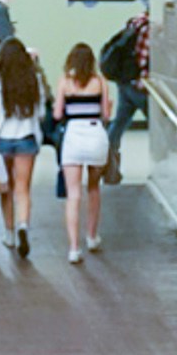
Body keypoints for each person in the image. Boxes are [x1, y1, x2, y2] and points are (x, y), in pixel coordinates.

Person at [0, 37, 45, 257]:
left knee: (5, 188)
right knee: (23, 188)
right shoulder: (34, 80)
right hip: (27, 138)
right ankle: (23, 226)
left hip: (1, 141)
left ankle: (9, 233)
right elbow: (41, 113)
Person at [55, 41, 114, 263]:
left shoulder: (65, 82)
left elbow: (58, 114)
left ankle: (73, 248)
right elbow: (106, 115)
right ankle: (91, 236)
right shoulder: (100, 82)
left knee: (73, 194)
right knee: (93, 188)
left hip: (73, 137)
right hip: (96, 135)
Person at [101, 9, 150, 186]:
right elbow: (144, 60)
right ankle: (164, 171)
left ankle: (109, 169)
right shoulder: (148, 29)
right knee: (160, 126)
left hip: (124, 83)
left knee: (118, 124)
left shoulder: (134, 22)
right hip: (139, 86)